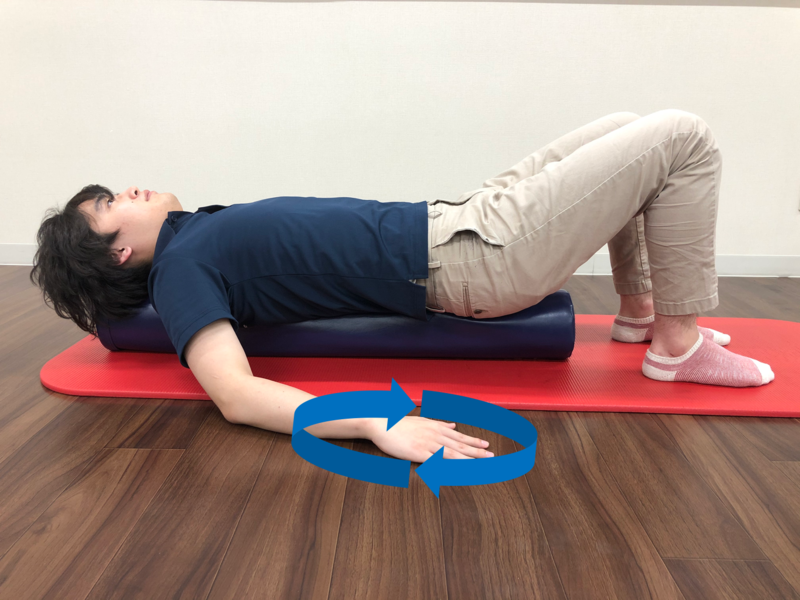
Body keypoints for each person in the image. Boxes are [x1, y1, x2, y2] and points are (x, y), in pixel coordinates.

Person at [30, 109, 774, 464]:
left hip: (464, 218)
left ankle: (641, 317)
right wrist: (372, 423)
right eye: (112, 204)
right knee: (683, 137)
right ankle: (676, 345)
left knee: (628, 129)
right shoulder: (181, 272)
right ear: (120, 253)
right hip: (478, 258)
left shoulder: (192, 236)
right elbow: (235, 393)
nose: (129, 190)